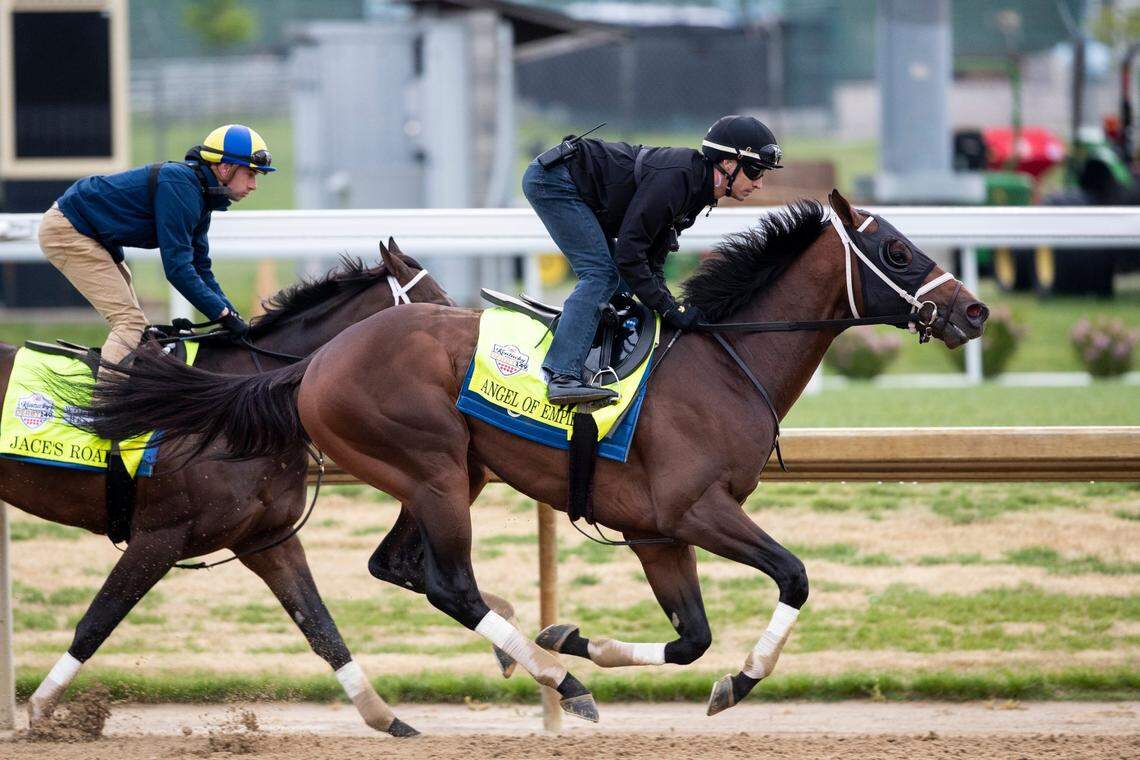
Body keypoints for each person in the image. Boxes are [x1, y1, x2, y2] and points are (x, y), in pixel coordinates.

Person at [522, 115, 782, 405]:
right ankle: (562, 375)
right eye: (756, 171)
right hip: (554, 181)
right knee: (602, 275)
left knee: (621, 284)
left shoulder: (697, 192)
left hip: (576, 183)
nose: (759, 184)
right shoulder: (678, 180)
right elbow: (630, 255)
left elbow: (651, 261)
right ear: (729, 163)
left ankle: (589, 353)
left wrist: (673, 308)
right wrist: (669, 310)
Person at [38, 124, 276, 369]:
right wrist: (222, 315)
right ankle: (103, 405)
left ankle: (118, 388)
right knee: (129, 324)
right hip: (68, 230)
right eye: (251, 174)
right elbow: (178, 270)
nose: (253, 185)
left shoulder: (202, 194)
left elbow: (201, 267)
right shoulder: (183, 187)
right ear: (226, 167)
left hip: (88, 232)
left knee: (138, 329)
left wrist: (231, 314)